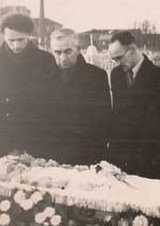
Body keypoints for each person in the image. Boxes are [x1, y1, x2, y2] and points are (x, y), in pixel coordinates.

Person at [0, 13, 57, 156]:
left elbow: (51, 103)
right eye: (11, 40)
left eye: (21, 40)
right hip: (0, 139)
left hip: (35, 138)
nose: (16, 45)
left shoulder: (45, 60)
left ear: (29, 35)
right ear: (3, 37)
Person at [41, 28, 111, 165]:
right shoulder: (43, 77)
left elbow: (103, 121)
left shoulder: (96, 76)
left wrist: (95, 158)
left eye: (68, 51)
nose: (63, 58)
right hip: (51, 157)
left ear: (78, 49)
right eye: (57, 52)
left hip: (85, 156)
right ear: (51, 51)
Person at [108, 31, 160, 174]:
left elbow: (155, 119)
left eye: (119, 58)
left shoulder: (157, 75)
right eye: (114, 59)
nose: (118, 63)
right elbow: (117, 113)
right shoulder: (116, 74)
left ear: (132, 48)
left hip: (146, 153)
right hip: (121, 153)